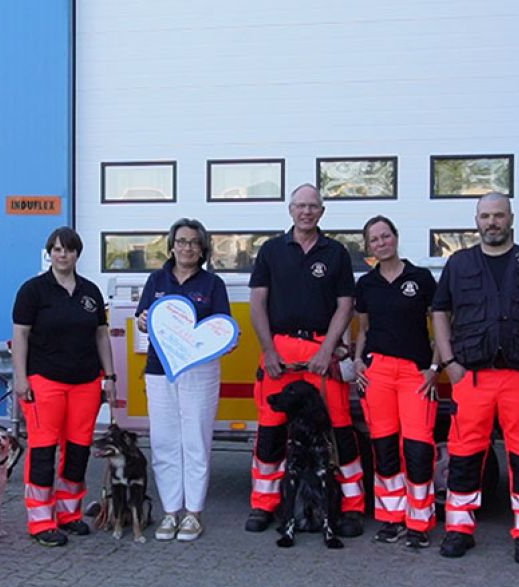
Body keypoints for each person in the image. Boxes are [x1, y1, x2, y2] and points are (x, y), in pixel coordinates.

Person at [431, 192, 519, 564]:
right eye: (485, 216)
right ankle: (459, 529)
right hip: (472, 376)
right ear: (476, 221)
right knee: (464, 455)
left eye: (499, 216)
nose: (492, 222)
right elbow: (440, 312)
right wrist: (449, 361)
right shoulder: (458, 264)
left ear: (511, 219)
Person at [246, 183, 366, 537]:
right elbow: (257, 303)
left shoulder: (337, 253)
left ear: (322, 211)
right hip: (280, 350)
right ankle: (264, 505)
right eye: (300, 206)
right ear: (290, 210)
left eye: (313, 206)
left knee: (340, 430)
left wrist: (327, 350)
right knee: (270, 430)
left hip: (320, 351)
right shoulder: (270, 251)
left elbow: (346, 305)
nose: (306, 212)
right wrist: (268, 351)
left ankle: (350, 507)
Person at [12, 226, 117, 547]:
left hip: (86, 381)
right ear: (49, 253)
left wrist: (110, 377)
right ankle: (41, 518)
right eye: (56, 249)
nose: (62, 254)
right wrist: (20, 378)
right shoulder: (33, 290)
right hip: (45, 379)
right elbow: (20, 335)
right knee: (43, 450)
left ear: (76, 254)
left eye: (68, 250)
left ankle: (69, 514)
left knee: (77, 450)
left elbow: (101, 335)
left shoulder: (90, 292)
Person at [133, 219, 230, 542]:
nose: (187, 247)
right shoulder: (156, 279)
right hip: (160, 370)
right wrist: (143, 320)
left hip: (199, 372)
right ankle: (170, 511)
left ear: (202, 248)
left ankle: (193, 514)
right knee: (163, 441)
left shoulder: (212, 284)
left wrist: (227, 336)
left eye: (193, 242)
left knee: (195, 441)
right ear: (171, 245)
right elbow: (143, 318)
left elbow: (222, 325)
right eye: (181, 241)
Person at [352, 216, 439, 548]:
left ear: (396, 237)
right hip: (379, 374)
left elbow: (441, 324)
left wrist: (435, 366)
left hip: (415, 374)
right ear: (368, 247)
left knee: (417, 449)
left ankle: (419, 523)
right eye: (374, 239)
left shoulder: (421, 278)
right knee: (385, 448)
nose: (381, 243)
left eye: (385, 236)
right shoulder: (366, 284)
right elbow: (364, 327)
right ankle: (391, 519)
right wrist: (359, 360)